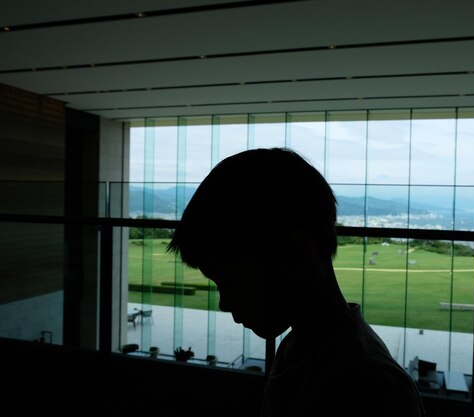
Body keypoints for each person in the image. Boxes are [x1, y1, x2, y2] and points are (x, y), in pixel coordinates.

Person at [167, 147, 425, 416]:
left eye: (230, 281)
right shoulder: (304, 347)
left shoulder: (369, 387)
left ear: (294, 255)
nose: (224, 303)